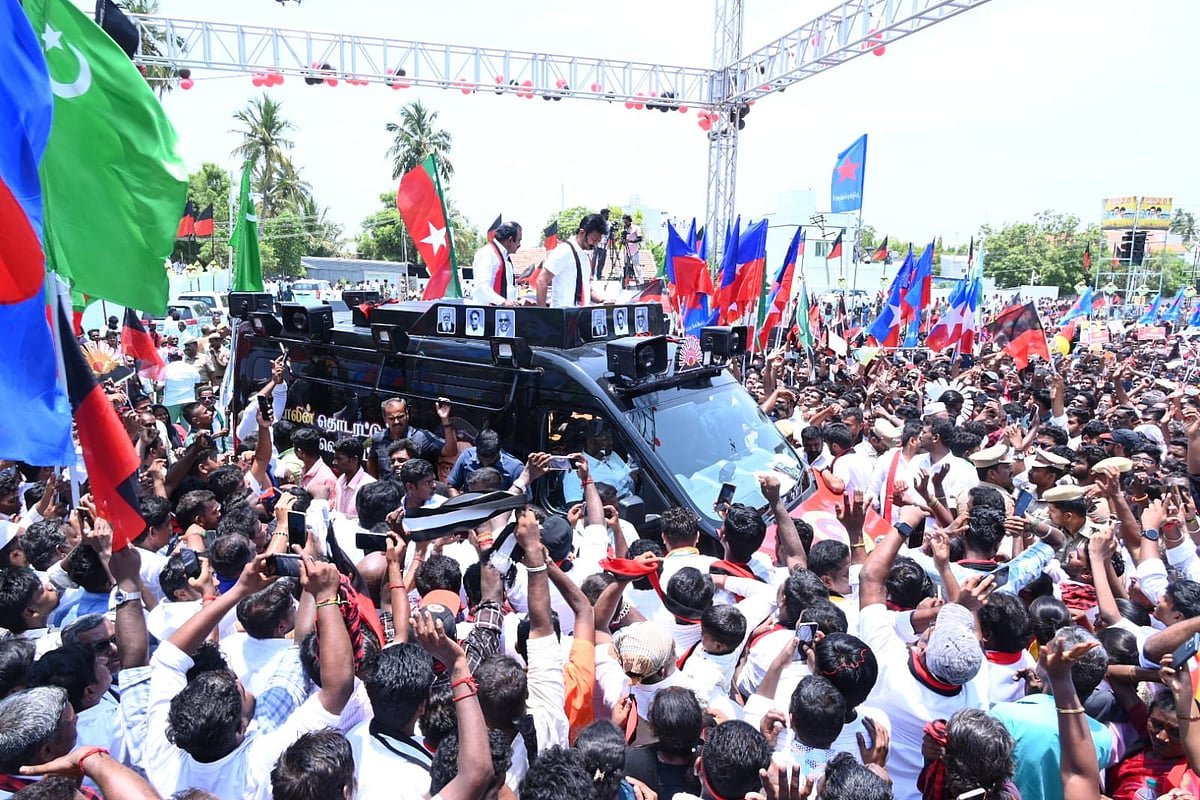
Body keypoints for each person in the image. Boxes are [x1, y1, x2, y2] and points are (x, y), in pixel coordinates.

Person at [367, 398, 458, 479]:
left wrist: (445, 419)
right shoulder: (378, 439)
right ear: (385, 419)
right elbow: (372, 461)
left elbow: (451, 451)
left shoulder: (421, 437)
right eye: (392, 418)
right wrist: (374, 485)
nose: (396, 421)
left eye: (400, 417)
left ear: (407, 414)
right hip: (388, 490)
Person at [537, 213, 609, 308]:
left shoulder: (585, 255)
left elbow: (585, 288)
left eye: (598, 242)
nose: (595, 245)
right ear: (582, 233)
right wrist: (543, 313)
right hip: (563, 312)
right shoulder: (564, 251)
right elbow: (542, 280)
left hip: (580, 313)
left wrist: (604, 301)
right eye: (594, 240)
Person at [470, 222, 522, 305]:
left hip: (503, 311)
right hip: (487, 311)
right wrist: (503, 302)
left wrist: (519, 300)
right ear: (510, 240)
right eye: (519, 240)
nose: (520, 245)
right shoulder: (487, 254)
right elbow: (481, 287)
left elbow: (508, 289)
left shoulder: (506, 259)